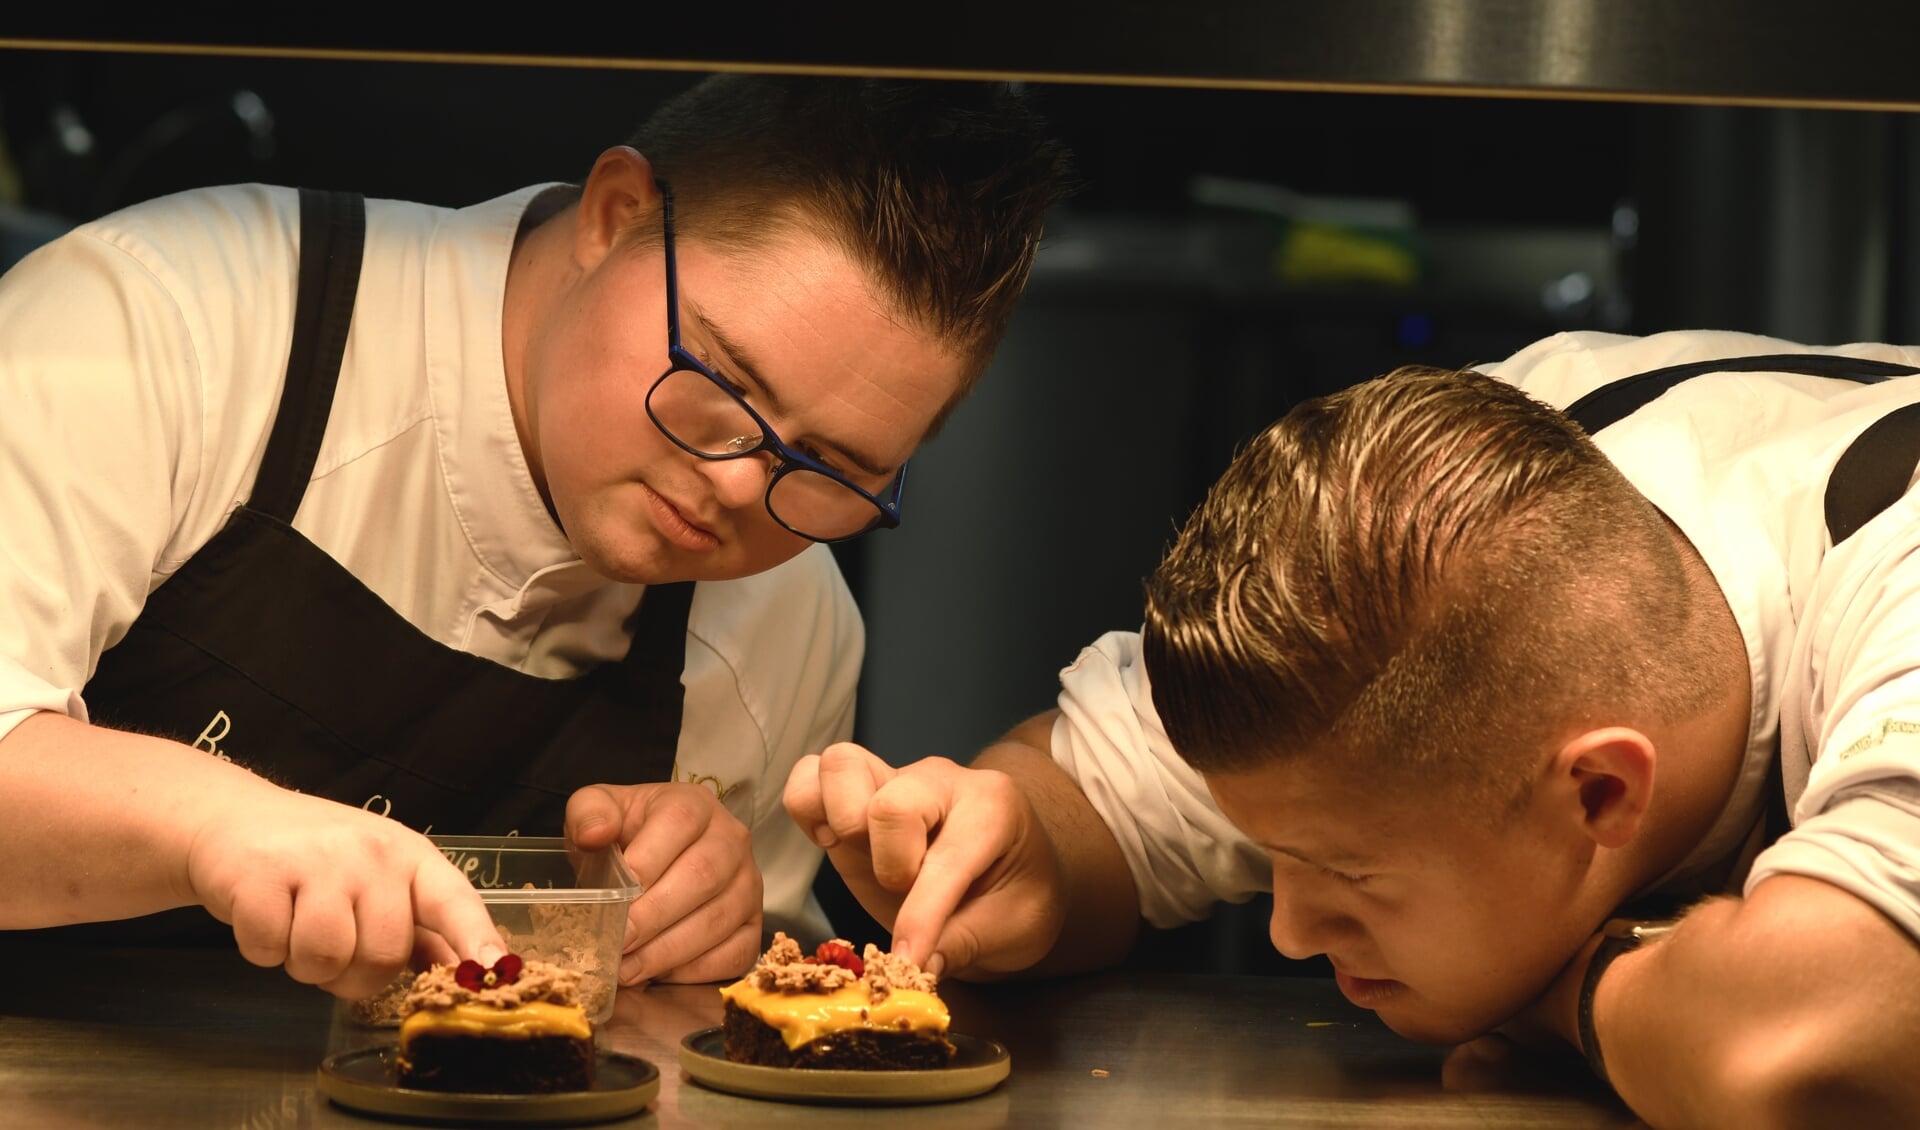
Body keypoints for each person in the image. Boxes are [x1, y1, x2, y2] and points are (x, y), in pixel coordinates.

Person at [0, 72, 1073, 1002]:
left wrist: (710, 933)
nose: (740, 485)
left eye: (832, 468)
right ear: (613, 215)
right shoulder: (174, 320)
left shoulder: (784, 626)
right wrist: (217, 823)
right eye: (719, 383)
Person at [789, 328, 1920, 1126]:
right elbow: (1090, 801)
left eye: (1348, 874)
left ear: (1601, 794)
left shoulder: (1897, 593)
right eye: (1268, 852)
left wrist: (1569, 992)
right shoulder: (1450, 504)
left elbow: (1809, 1047)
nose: (1286, 930)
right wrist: (1019, 842)